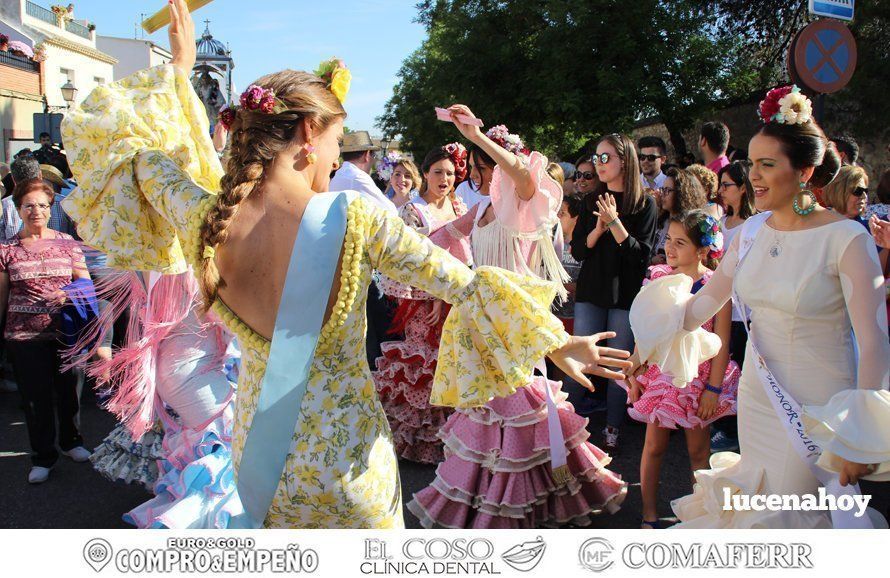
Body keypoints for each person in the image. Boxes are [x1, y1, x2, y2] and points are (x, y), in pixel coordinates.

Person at [60, 0, 630, 529]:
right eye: (336, 140)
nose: (337, 157)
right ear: (309, 133)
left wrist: (176, 73)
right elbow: (468, 286)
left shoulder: (204, 215)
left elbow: (138, 154)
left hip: (263, 470)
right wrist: (556, 341)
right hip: (350, 470)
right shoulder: (356, 219)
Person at [628, 86, 890, 528]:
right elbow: (707, 301)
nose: (755, 177)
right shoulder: (750, 231)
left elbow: (874, 339)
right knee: (759, 501)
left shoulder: (847, 239)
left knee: (791, 517)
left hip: (818, 405)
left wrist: (855, 435)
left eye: (769, 165)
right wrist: (648, 347)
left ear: (805, 171)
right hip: (759, 394)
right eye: (752, 164)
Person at [409, 115, 628, 528]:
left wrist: (477, 137)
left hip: (518, 322)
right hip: (481, 322)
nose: (477, 174)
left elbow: (521, 172)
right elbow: (440, 240)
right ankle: (496, 503)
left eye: (483, 165)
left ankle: (516, 508)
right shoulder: (480, 210)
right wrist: (416, 260)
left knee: (515, 408)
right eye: (475, 167)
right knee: (491, 412)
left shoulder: (527, 200)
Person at [623, 210, 739, 528]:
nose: (670, 248)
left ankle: (698, 517)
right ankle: (649, 516)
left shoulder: (716, 286)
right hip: (661, 375)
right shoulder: (659, 278)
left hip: (698, 379)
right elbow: (646, 332)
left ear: (702, 250)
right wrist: (634, 370)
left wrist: (713, 390)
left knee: (699, 452)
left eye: (681, 242)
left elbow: (721, 341)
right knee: (654, 446)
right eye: (668, 240)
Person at [373, 144, 468, 464]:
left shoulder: (458, 204)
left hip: (455, 299)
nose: (445, 178)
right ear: (425, 174)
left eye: (451, 173)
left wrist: (450, 296)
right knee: (423, 367)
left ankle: (451, 439)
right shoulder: (413, 210)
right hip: (421, 302)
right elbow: (410, 262)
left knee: (450, 364)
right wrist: (437, 297)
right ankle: (415, 443)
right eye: (438, 172)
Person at [0, 178, 92, 483]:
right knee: (35, 398)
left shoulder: (67, 242)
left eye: (42, 205)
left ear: (50, 209)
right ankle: (43, 456)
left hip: (65, 333)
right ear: (18, 209)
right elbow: (2, 296)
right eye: (29, 205)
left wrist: (67, 294)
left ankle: (72, 442)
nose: (35, 211)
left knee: (69, 393)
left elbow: (86, 282)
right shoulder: (7, 250)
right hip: (23, 337)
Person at [570, 133, 658, 452]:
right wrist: (598, 229)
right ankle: (567, 423)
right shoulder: (591, 200)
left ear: (625, 160)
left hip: (625, 295)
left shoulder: (645, 204)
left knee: (618, 366)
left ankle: (612, 428)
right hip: (592, 290)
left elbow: (639, 257)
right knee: (580, 358)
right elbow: (579, 251)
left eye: (605, 157)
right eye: (596, 157)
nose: (598, 163)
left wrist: (616, 223)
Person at [710, 160, 757, 453]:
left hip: (745, 312)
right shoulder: (720, 223)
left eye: (726, 185)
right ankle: (725, 423)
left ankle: (737, 431)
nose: (721, 191)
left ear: (742, 188)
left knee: (742, 370)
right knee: (723, 367)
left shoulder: (755, 225)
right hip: (719, 307)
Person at [651, 167, 708, 264]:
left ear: (681, 193)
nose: (662, 194)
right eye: (662, 189)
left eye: (667, 190)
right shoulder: (660, 219)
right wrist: (651, 260)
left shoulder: (692, 226)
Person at [329, 130, 394, 214]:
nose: (373, 160)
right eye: (373, 155)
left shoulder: (339, 174)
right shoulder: (358, 177)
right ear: (367, 155)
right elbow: (390, 210)